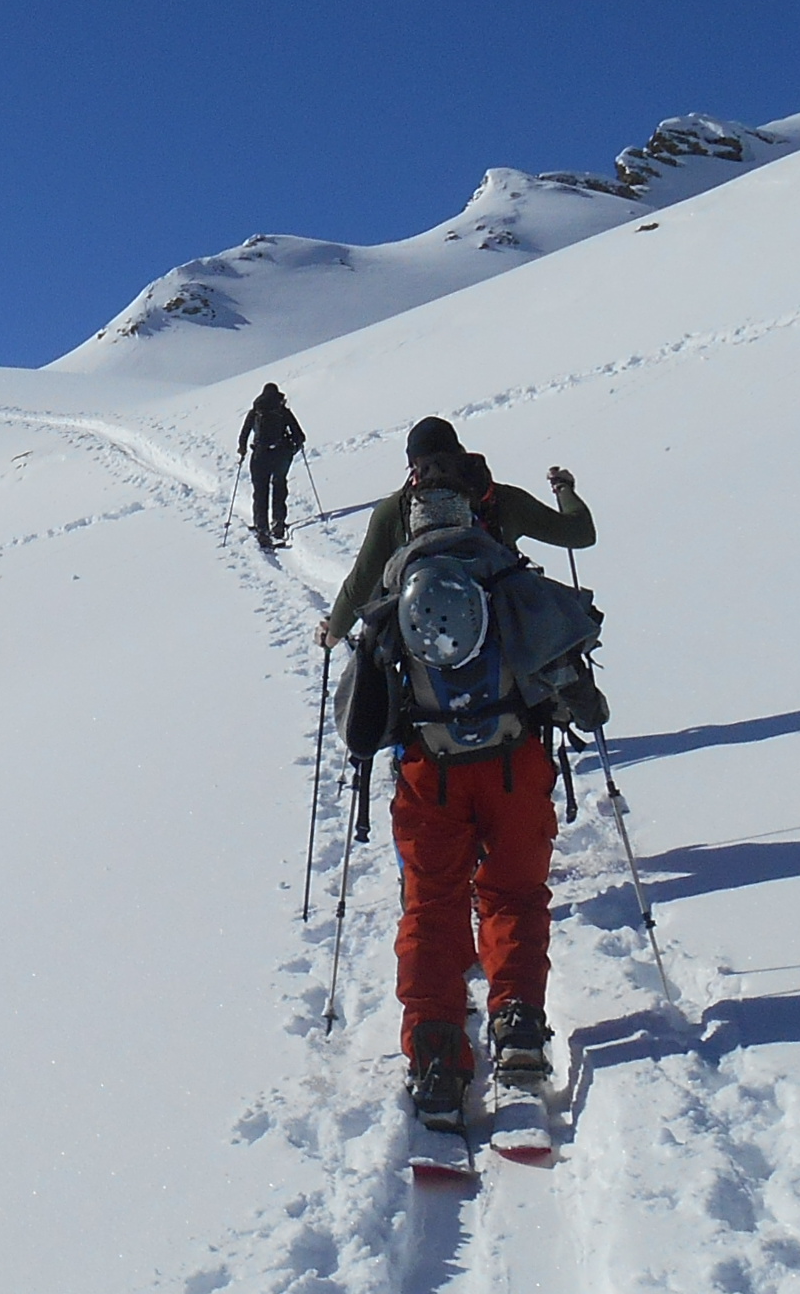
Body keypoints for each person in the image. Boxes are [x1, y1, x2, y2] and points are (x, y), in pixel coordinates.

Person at [314, 416, 595, 1122]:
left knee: (433, 904)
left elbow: (361, 719)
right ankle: (518, 1025)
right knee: (514, 895)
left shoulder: (394, 590)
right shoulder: (503, 572)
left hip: (430, 773)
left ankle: (436, 1052)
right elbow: (565, 649)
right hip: (514, 763)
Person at [236, 383, 305, 548]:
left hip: (259, 455)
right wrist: (292, 449)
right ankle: (278, 523)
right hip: (280, 455)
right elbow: (300, 435)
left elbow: (244, 434)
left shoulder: (256, 411)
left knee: (260, 491)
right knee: (279, 485)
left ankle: (262, 529)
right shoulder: (283, 411)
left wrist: (242, 450)